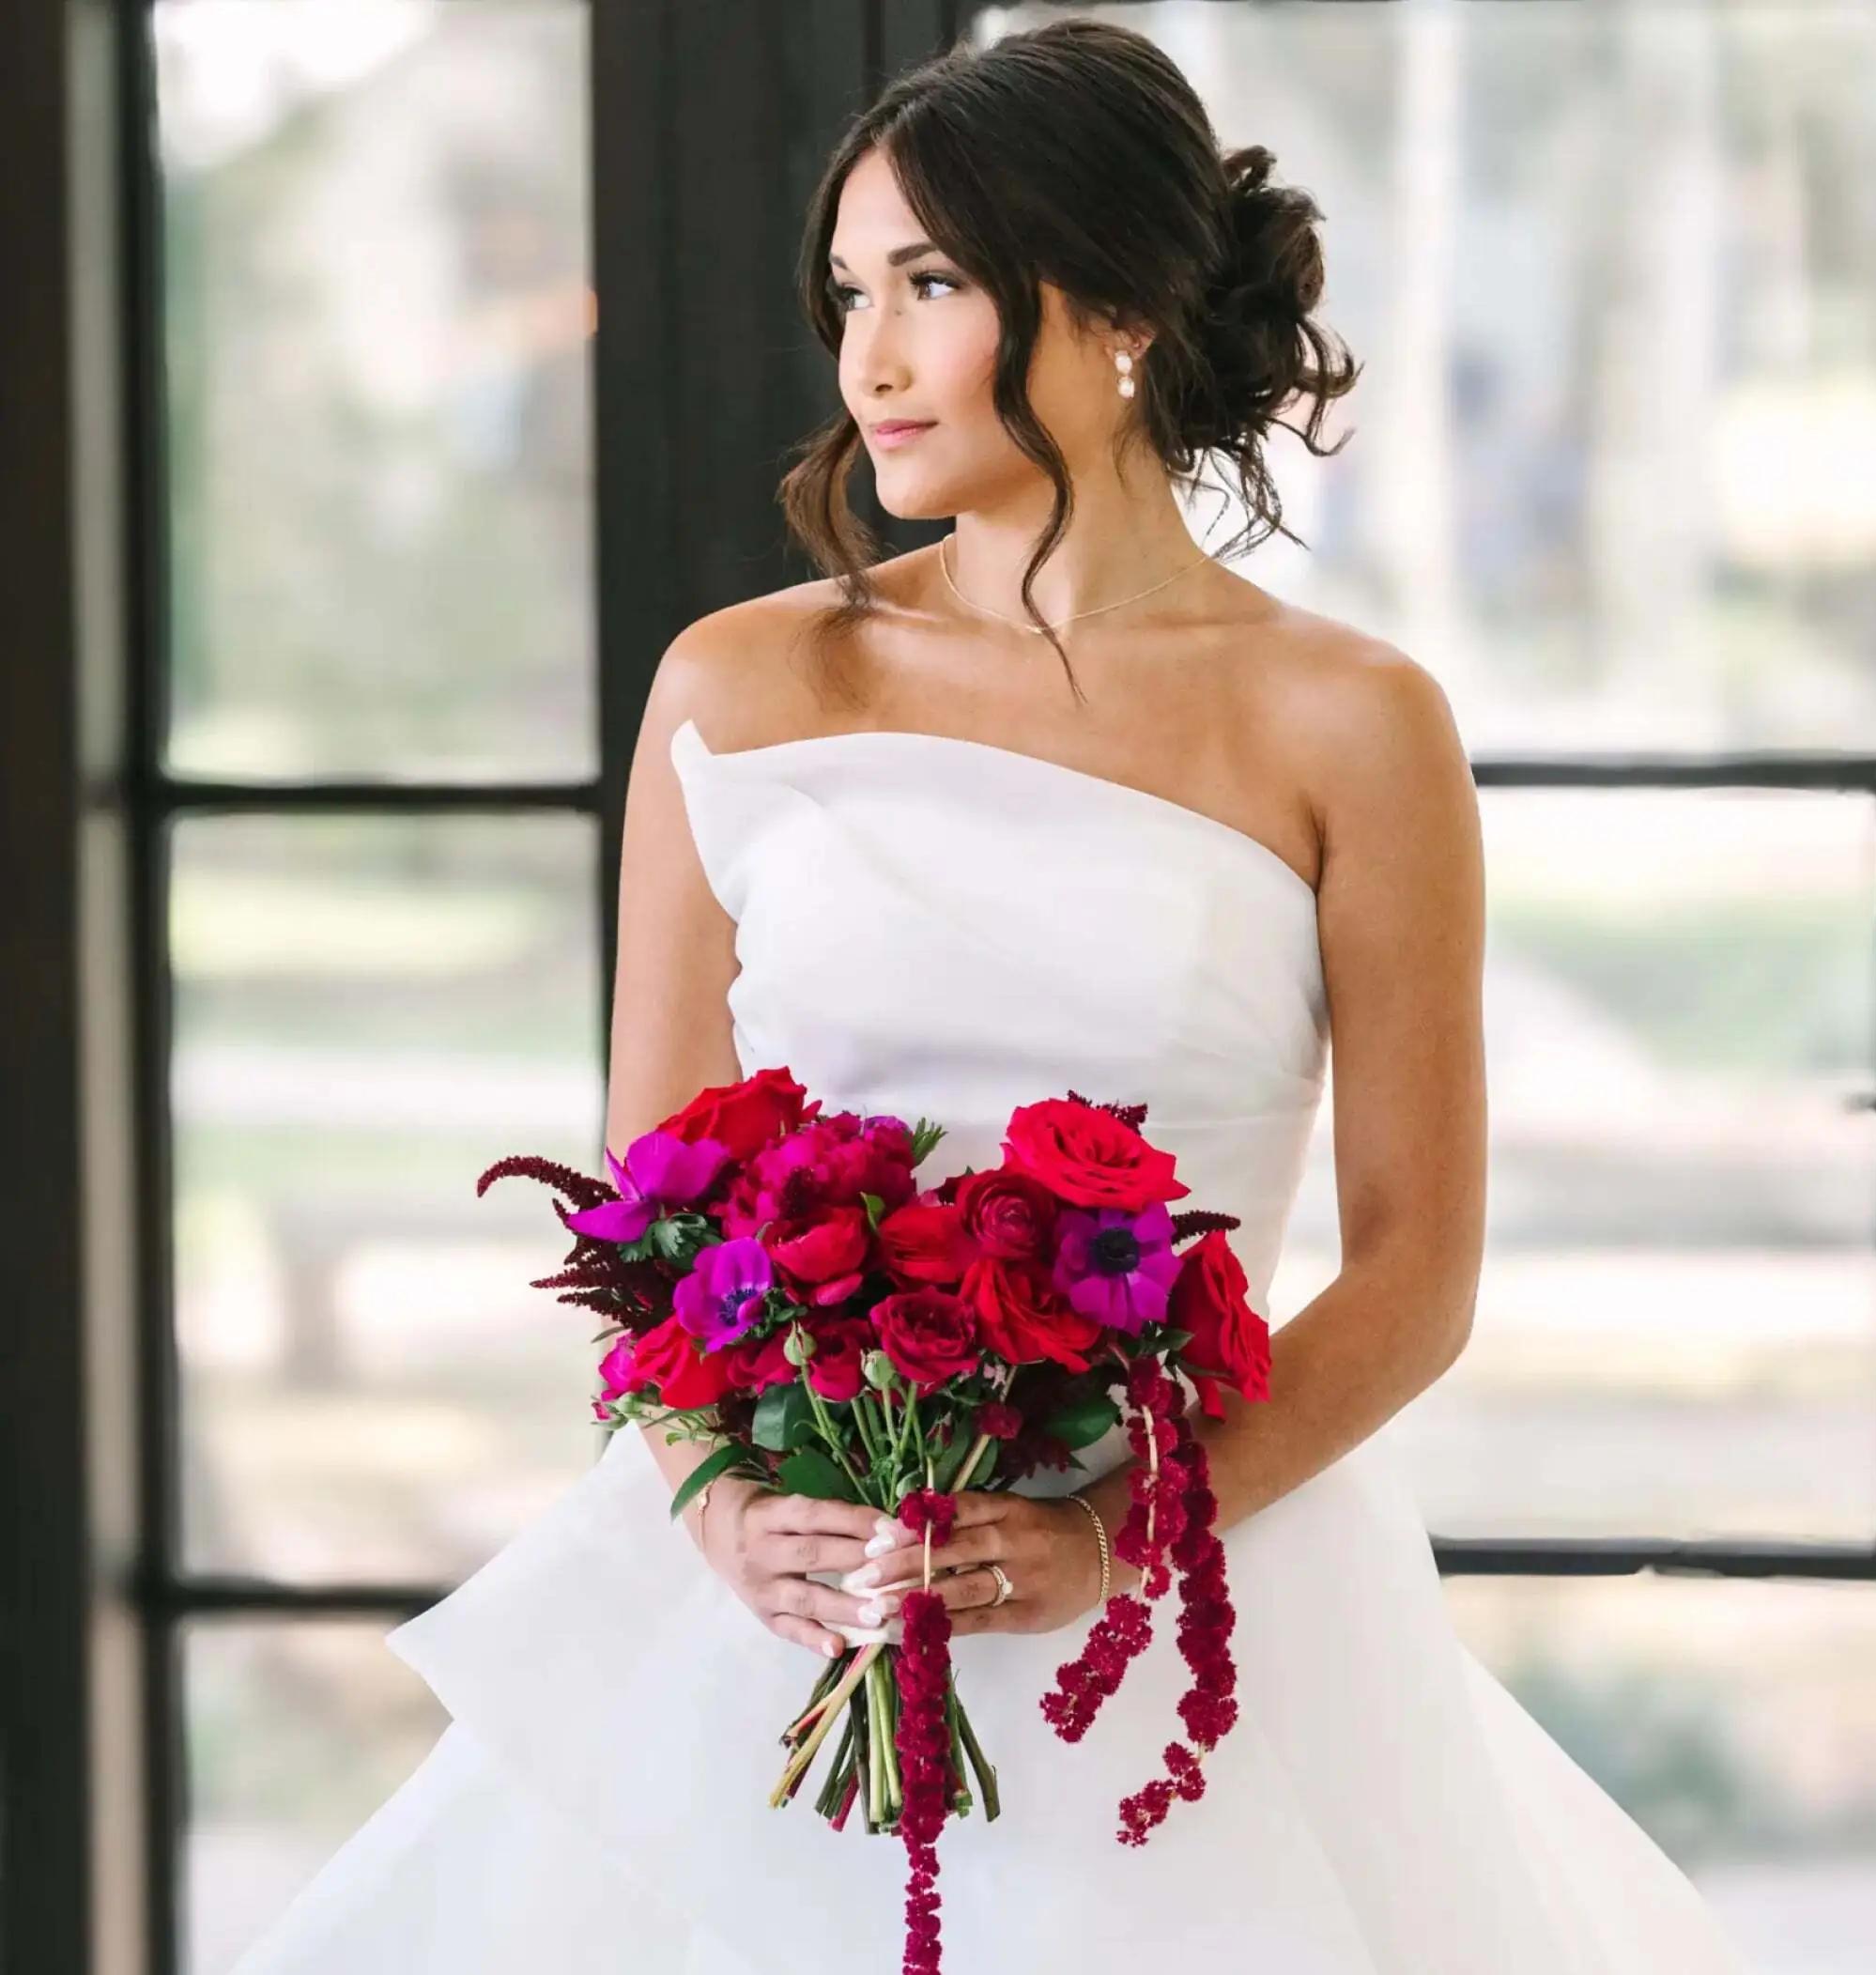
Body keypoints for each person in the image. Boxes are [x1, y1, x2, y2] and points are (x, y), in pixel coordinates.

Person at [231, 19, 1756, 1972]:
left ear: (1114, 300)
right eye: (851, 290)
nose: (866, 354)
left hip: (1198, 1602)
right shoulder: (737, 684)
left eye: (932, 286)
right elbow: (647, 1192)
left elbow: (1413, 1277)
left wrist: (1116, 1532)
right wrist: (718, 1500)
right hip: (798, 1590)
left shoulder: (1354, 724)